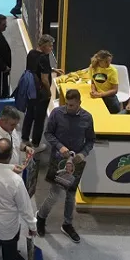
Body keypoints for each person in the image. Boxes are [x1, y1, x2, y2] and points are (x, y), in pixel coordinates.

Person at [36, 89, 95, 244]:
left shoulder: (87, 118)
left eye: (72, 105)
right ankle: (41, 217)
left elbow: (90, 140)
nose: (69, 108)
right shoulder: (57, 114)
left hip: (76, 164)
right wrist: (59, 146)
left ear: (79, 103)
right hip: (58, 160)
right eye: (67, 104)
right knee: (54, 194)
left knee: (70, 195)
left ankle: (67, 224)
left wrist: (83, 154)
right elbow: (48, 134)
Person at [21, 34, 62, 152]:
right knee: (39, 118)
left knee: (29, 114)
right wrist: (48, 92)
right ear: (43, 45)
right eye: (50, 46)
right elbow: (44, 79)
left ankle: (25, 138)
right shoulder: (44, 57)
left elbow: (35, 68)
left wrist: (53, 69)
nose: (51, 48)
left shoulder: (31, 53)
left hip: (30, 90)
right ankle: (36, 144)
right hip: (40, 93)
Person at [83, 50, 121, 114]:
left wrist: (101, 94)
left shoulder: (113, 71)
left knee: (114, 112)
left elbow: (115, 90)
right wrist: (94, 91)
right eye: (106, 62)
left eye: (109, 61)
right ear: (99, 61)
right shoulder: (92, 67)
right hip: (97, 95)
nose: (108, 64)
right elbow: (93, 82)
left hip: (109, 96)